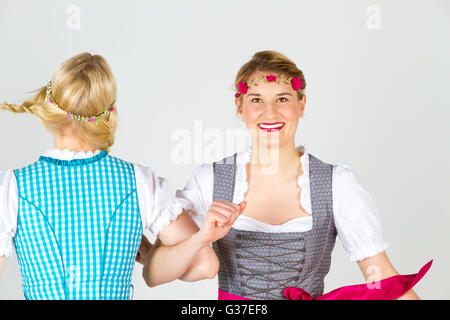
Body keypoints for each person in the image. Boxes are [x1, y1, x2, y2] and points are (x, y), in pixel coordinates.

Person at [174, 50, 432, 300]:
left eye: (282, 99)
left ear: (302, 104)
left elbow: (380, 276)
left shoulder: (336, 184)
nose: (270, 112)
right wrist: (150, 252)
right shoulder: (211, 180)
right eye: (256, 99)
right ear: (240, 107)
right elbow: (176, 258)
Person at [0, 52, 229, 299]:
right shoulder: (139, 183)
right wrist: (152, 253)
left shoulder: (13, 188)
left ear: (49, 104)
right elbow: (205, 266)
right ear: (108, 112)